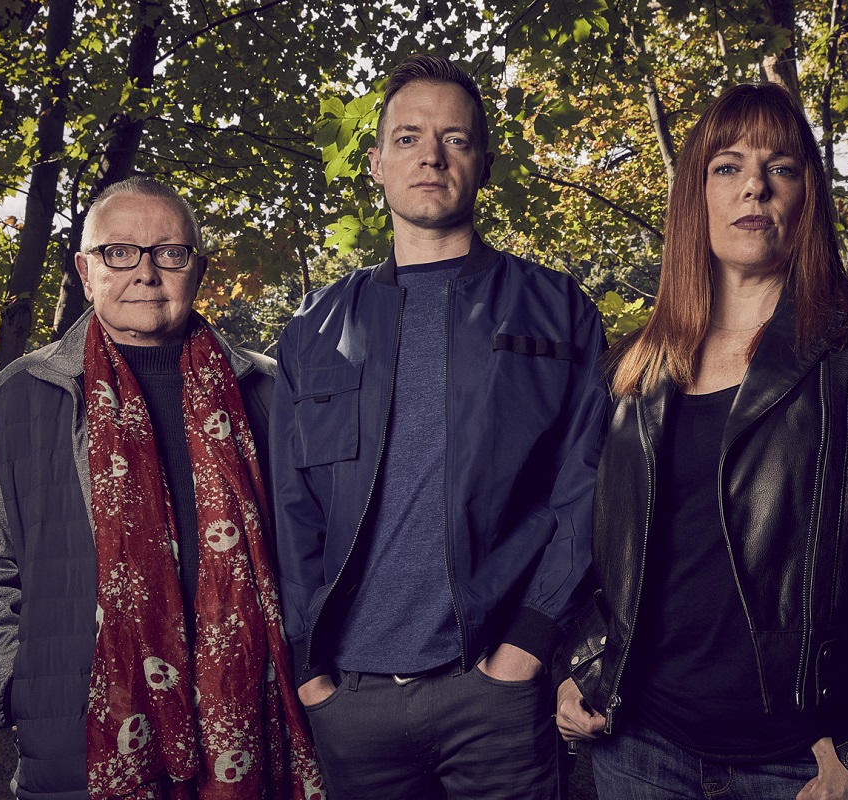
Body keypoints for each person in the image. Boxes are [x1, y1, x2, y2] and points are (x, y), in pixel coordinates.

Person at [555, 83, 848, 800]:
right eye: (728, 166)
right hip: (641, 749)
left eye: (780, 167)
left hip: (807, 761)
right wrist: (581, 664)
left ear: (806, 195)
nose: (755, 184)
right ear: (697, 196)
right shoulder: (632, 368)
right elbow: (601, 552)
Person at [270, 54, 608, 799]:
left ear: (483, 164)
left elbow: (590, 485)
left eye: (455, 139)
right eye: (408, 138)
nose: (430, 154)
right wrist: (310, 673)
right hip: (352, 702)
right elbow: (290, 516)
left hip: (494, 692)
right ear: (376, 165)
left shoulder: (556, 311)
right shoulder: (316, 330)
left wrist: (526, 648)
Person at [0, 176, 322, 800]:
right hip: (80, 745)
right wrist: (19, 682)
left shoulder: (270, 393)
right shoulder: (20, 396)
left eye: (168, 252)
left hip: (256, 731)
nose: (145, 273)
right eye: (119, 252)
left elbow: (319, 554)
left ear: (197, 269)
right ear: (86, 272)